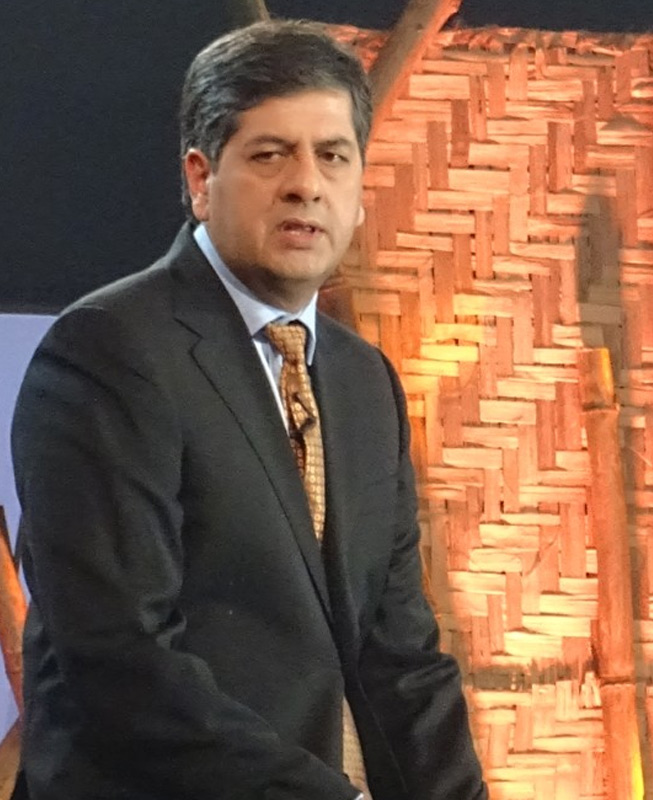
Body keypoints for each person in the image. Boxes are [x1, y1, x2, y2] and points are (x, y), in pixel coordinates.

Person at [11, 20, 487, 800]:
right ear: (201, 179)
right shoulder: (108, 350)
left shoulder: (365, 381)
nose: (306, 184)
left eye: (333, 155)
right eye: (271, 155)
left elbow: (401, 658)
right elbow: (124, 663)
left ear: (359, 191)